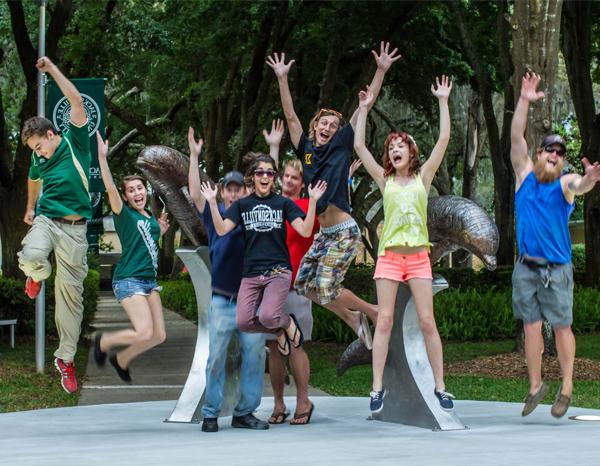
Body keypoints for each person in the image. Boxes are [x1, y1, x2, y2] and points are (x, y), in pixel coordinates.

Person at [266, 42, 401, 348]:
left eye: (334, 125)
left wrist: (380, 70)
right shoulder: (306, 149)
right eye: (324, 123)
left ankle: (373, 311)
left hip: (343, 231)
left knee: (326, 287)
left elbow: (365, 105)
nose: (328, 127)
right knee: (305, 286)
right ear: (315, 127)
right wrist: (282, 78)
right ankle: (354, 319)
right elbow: (290, 117)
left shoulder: (341, 144)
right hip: (323, 235)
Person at [354, 76, 454, 413]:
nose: (394, 150)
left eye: (400, 145)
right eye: (390, 147)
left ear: (411, 152)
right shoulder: (385, 181)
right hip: (390, 259)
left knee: (427, 321)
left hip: (419, 259)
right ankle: (377, 388)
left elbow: (443, 138)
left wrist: (442, 100)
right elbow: (358, 148)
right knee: (384, 321)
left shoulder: (424, 177)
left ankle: (441, 387)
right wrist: (364, 109)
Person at [510, 73, 600, 418]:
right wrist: (524, 99)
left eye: (561, 152)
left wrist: (589, 179)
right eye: (550, 148)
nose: (556, 154)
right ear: (539, 153)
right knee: (531, 325)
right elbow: (516, 135)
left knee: (561, 326)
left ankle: (566, 386)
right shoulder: (524, 176)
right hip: (526, 267)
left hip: (557, 269)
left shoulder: (564, 183)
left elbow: (579, 185)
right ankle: (535, 386)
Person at [199, 155, 326, 361]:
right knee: (244, 322)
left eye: (269, 172)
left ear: (274, 178)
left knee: (268, 316)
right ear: (253, 177)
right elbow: (222, 230)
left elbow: (304, 230)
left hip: (278, 271)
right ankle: (280, 330)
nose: (265, 176)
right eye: (260, 172)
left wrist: (312, 201)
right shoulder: (242, 205)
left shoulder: (283, 203)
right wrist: (213, 202)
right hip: (251, 274)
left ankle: (285, 322)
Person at [187, 126, 269, 433]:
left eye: (238, 188)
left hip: (251, 302)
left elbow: (268, 186)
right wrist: (194, 156)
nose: (233, 193)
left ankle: (245, 412)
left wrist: (271, 151)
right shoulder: (214, 213)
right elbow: (195, 193)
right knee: (216, 358)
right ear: (222, 191)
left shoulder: (253, 215)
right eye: (229, 188)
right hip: (222, 299)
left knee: (254, 357)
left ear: (246, 191)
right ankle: (211, 412)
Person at [18, 56, 92, 394]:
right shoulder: (38, 158)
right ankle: (35, 275)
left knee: (70, 304)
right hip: (48, 220)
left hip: (76, 232)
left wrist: (51, 71)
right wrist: (31, 207)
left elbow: (76, 100)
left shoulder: (76, 142)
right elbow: (33, 179)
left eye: (40, 146)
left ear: (51, 134)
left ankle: (65, 359)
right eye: (35, 150)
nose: (39, 154)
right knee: (32, 253)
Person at [93, 133, 169, 383]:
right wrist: (103, 159)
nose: (137, 193)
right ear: (125, 197)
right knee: (144, 331)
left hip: (149, 281)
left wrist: (161, 230)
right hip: (128, 279)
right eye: (131, 191)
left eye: (140, 188)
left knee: (158, 335)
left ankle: (121, 359)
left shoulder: (149, 219)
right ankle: (104, 342)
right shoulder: (124, 215)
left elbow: (149, 242)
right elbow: (110, 188)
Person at [266, 156, 319, 426]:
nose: (288, 180)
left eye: (294, 177)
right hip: (270, 286)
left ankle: (303, 400)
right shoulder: (272, 205)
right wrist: (274, 147)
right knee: (274, 347)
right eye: (285, 176)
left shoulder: (307, 207)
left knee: (295, 345)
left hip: (296, 286)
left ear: (302, 183)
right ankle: (278, 402)